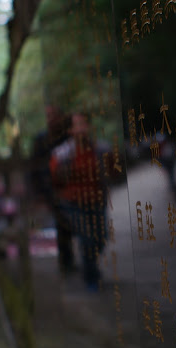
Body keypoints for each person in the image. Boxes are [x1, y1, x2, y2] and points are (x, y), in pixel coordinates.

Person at [49, 112, 108, 290]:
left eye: (84, 124)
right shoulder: (62, 154)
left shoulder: (99, 148)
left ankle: (91, 267)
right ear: (70, 131)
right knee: (87, 240)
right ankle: (91, 277)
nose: (81, 129)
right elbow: (54, 179)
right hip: (73, 203)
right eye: (77, 125)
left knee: (101, 238)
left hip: (96, 200)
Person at [30, 105, 75, 273]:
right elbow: (34, 167)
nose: (51, 119)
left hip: (70, 189)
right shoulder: (41, 140)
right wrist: (38, 193)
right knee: (60, 227)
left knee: (70, 226)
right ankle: (66, 261)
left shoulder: (69, 137)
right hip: (50, 191)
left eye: (53, 115)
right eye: (48, 116)